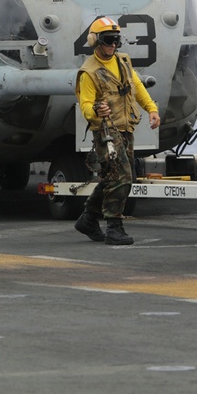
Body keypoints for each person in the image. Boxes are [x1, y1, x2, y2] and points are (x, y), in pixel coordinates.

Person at [73, 16, 161, 245]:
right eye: (108, 40)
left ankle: (88, 219)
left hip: (125, 127)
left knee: (113, 177)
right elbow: (85, 105)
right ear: (95, 41)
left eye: (116, 40)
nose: (112, 45)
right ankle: (114, 227)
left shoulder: (123, 61)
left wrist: (151, 108)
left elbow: (137, 86)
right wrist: (95, 110)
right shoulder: (89, 72)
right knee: (122, 177)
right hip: (106, 132)